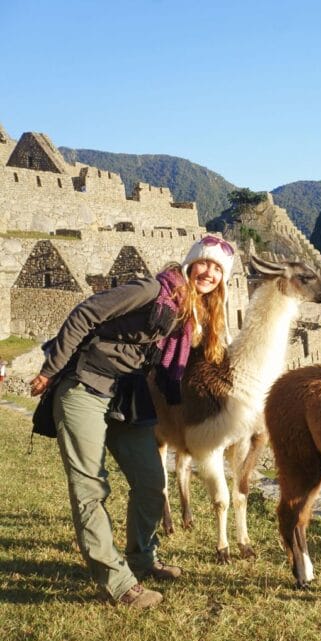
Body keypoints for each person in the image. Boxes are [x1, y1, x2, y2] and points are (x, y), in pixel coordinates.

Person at [29, 235, 235, 609]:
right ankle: (117, 582)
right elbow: (87, 312)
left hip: (127, 394)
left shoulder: (193, 317)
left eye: (218, 269)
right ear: (191, 262)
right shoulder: (153, 290)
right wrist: (50, 368)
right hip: (86, 384)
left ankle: (142, 558)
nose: (209, 273)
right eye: (205, 263)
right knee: (90, 487)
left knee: (152, 482)